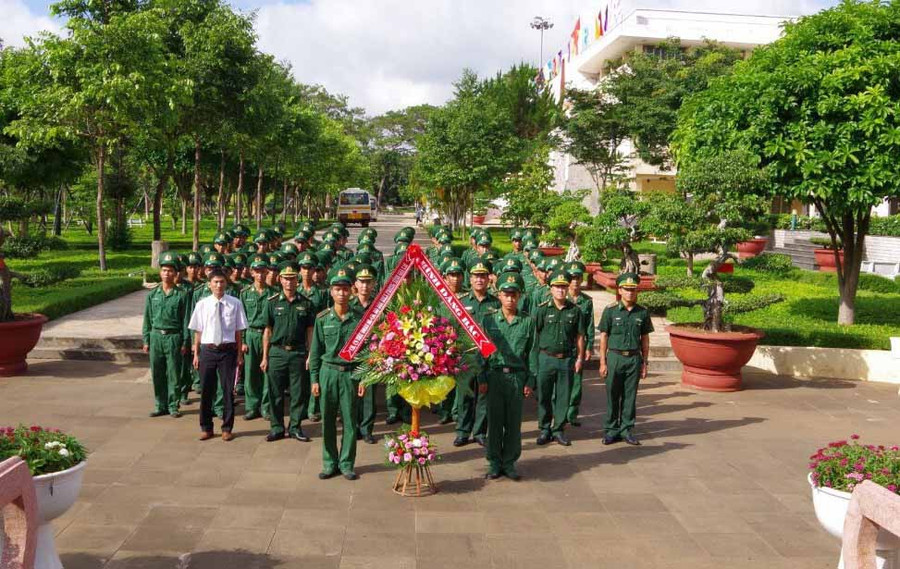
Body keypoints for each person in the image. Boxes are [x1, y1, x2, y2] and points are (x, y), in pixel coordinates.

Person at [309, 269, 365, 480]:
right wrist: (314, 379)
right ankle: (329, 462)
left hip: (350, 374)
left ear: (352, 291)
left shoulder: (359, 319)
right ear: (331, 292)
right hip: (328, 373)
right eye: (337, 289)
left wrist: (365, 378)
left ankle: (347, 463)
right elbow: (315, 352)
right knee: (328, 420)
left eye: (345, 289)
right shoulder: (323, 319)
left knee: (350, 421)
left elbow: (366, 352)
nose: (341, 293)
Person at [480, 272, 537, 481]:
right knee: (495, 422)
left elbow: (532, 353)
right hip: (495, 377)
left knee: (513, 424)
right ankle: (494, 462)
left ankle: (510, 463)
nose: (510, 298)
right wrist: (482, 378)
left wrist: (530, 381)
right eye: (506, 294)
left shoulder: (527, 322)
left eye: (514, 294)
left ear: (519, 296)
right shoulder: (489, 321)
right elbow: (482, 352)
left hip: (516, 378)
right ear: (499, 295)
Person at [189, 269, 248, 441]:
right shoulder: (202, 304)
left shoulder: (235, 303)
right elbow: (198, 330)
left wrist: (239, 355)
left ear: (226, 283)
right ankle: (206, 427)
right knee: (207, 390)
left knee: (228, 391)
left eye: (222, 282)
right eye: (215, 282)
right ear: (209, 285)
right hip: (208, 350)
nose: (218, 285)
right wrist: (196, 353)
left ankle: (227, 427)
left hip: (228, 351)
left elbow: (238, 331)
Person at [260, 263, 315, 443]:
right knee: (275, 393)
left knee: (298, 393)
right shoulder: (272, 302)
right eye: (286, 278)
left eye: (292, 278)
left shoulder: (306, 303)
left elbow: (310, 331)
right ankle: (276, 428)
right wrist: (264, 357)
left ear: (297, 280)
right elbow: (267, 331)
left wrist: (310, 354)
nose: (289, 282)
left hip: (298, 352)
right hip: (277, 352)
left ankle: (295, 427)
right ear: (280, 280)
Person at [598, 272, 652, 446]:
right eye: (626, 289)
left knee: (630, 396)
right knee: (613, 395)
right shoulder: (611, 311)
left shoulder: (642, 312)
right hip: (615, 357)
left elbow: (645, 338)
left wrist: (644, 362)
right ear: (619, 290)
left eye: (633, 290)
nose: (630, 293)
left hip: (633, 359)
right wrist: (602, 362)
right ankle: (611, 430)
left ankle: (627, 429)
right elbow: (604, 336)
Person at [533, 269, 585, 447]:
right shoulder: (541, 310)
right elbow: (535, 335)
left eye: (563, 287)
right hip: (546, 358)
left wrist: (579, 359)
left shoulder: (575, 311)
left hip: (566, 359)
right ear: (551, 289)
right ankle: (545, 428)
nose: (561, 290)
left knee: (563, 396)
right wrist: (535, 361)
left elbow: (580, 336)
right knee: (544, 395)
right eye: (557, 287)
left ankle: (559, 429)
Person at [454, 259, 500, 447]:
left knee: (484, 396)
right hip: (466, 357)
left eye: (483, 276)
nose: (479, 280)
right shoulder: (462, 302)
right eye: (476, 276)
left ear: (489, 279)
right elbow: (454, 330)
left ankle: (480, 432)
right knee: (464, 396)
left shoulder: (497, 303)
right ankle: (463, 431)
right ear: (470, 279)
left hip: (488, 358)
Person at [142, 251, 190, 418]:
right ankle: (160, 404)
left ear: (176, 273)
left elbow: (186, 320)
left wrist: (185, 341)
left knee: (174, 373)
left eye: (170, 270)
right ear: (160, 272)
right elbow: (147, 319)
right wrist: (146, 339)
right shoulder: (153, 295)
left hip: (174, 337)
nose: (166, 273)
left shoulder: (182, 295)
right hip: (156, 336)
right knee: (157, 373)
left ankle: (173, 405)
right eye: (164, 270)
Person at [240, 254, 273, 421]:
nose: (260, 275)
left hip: (268, 335)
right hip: (251, 335)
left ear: (267, 272)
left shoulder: (273, 293)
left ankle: (266, 407)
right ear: (252, 273)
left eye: (263, 271)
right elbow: (242, 319)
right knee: (251, 372)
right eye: (257, 271)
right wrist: (243, 340)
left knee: (267, 372)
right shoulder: (245, 293)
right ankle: (252, 406)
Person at [350, 265, 379, 444]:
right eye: (362, 282)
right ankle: (353, 428)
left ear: (374, 284)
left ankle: (367, 429)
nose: (365, 286)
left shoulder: (379, 305)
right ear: (355, 284)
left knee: (369, 395)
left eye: (368, 282)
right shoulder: (349, 305)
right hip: (352, 355)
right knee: (351, 395)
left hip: (371, 355)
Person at [565, 262, 594, 427]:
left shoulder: (586, 301)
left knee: (576, 381)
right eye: (573, 278)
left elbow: (590, 324)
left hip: (579, 346)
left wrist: (589, 346)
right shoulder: (561, 297)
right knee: (561, 381)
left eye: (578, 278)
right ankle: (559, 412)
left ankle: (572, 414)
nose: (575, 281)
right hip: (564, 344)